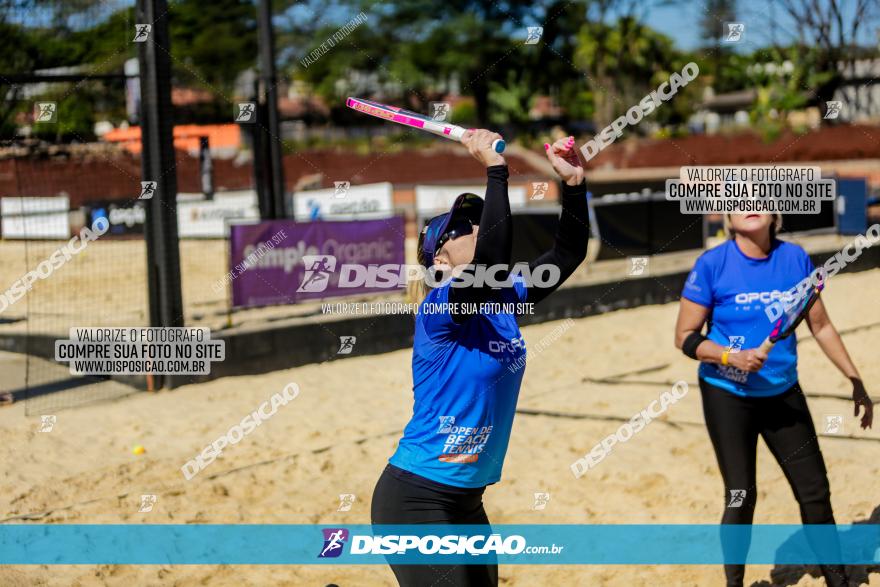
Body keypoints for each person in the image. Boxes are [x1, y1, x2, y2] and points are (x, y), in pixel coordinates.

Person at [371, 131, 588, 587]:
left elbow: (567, 253)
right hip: (416, 500)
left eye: (473, 224)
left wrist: (572, 185)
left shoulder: (502, 300)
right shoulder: (442, 306)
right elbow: (493, 253)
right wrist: (495, 170)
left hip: (468, 503)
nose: (473, 228)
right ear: (440, 259)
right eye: (460, 229)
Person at [674, 212, 874, 587]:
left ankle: (837, 580)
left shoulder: (795, 259)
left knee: (815, 490)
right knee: (740, 495)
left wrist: (855, 380)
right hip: (727, 394)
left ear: (775, 215)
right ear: (728, 217)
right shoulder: (712, 265)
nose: (751, 204)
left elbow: (821, 325)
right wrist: (731, 357)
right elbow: (685, 337)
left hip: (782, 391)